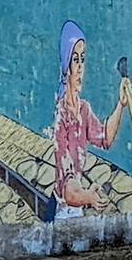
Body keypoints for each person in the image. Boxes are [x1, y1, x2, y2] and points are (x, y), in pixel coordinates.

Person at [53, 20, 124, 211]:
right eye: (75, 59)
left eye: (83, 59)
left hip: (78, 203)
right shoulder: (62, 115)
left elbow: (104, 138)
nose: (80, 67)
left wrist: (121, 104)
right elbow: (67, 182)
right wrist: (87, 197)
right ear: (66, 65)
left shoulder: (83, 109)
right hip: (64, 209)